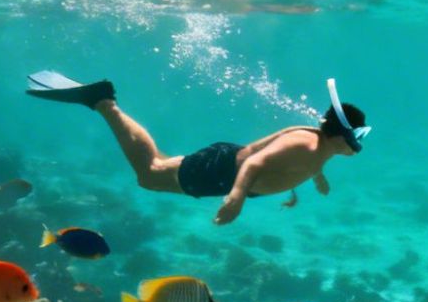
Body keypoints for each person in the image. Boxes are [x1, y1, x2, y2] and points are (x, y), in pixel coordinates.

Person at [27, 72, 369, 225]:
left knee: (160, 164)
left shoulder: (318, 148)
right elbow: (256, 164)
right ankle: (103, 103)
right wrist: (235, 198)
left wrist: (315, 178)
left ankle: (104, 102)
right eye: (356, 139)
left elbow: (289, 163)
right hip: (223, 172)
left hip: (222, 164)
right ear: (341, 137)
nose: (357, 147)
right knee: (150, 174)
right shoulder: (307, 145)